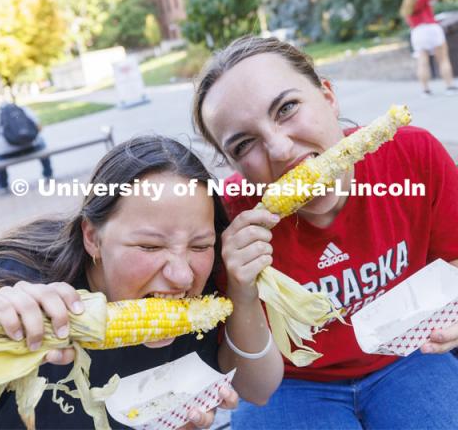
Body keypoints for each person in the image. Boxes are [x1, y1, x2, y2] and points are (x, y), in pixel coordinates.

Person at [192, 35, 458, 429]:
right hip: (290, 384)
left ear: (329, 96)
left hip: (407, 354)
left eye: (287, 108)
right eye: (245, 143)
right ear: (233, 164)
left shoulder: (411, 154)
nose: (280, 149)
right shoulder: (226, 220)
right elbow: (252, 388)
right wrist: (241, 288)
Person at [0, 135, 283, 429]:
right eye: (150, 246)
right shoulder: (6, 284)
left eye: (200, 245)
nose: (183, 276)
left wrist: (244, 292)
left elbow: (259, 390)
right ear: (92, 238)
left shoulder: (206, 288)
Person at [400, 0, 457, 96]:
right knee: (443, 59)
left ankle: (425, 90)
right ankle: (449, 86)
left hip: (417, 33)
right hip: (431, 29)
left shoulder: (407, 5)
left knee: (422, 62)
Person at [0, 101, 53, 194]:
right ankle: (48, 174)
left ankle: (3, 185)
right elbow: (39, 128)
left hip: (4, 154)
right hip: (31, 147)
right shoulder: (24, 109)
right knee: (41, 143)